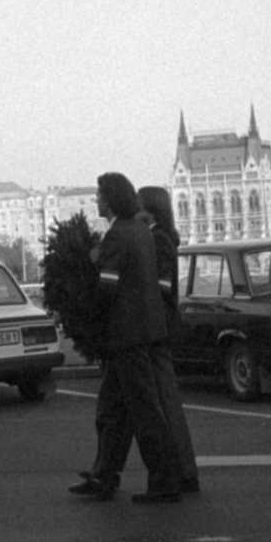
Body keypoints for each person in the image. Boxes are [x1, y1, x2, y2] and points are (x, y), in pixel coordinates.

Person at [70, 172, 182, 504]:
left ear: (112, 198)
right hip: (142, 332)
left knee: (143, 411)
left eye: (100, 194)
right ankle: (104, 475)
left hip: (126, 336)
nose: (96, 200)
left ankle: (163, 480)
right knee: (112, 411)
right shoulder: (140, 231)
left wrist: (89, 315)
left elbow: (108, 287)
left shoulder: (119, 234)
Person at [138, 185, 199, 494]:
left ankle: (181, 472)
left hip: (158, 326)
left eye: (138, 203)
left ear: (149, 208)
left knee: (165, 401)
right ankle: (182, 471)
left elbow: (162, 285)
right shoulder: (162, 236)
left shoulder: (158, 239)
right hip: (162, 324)